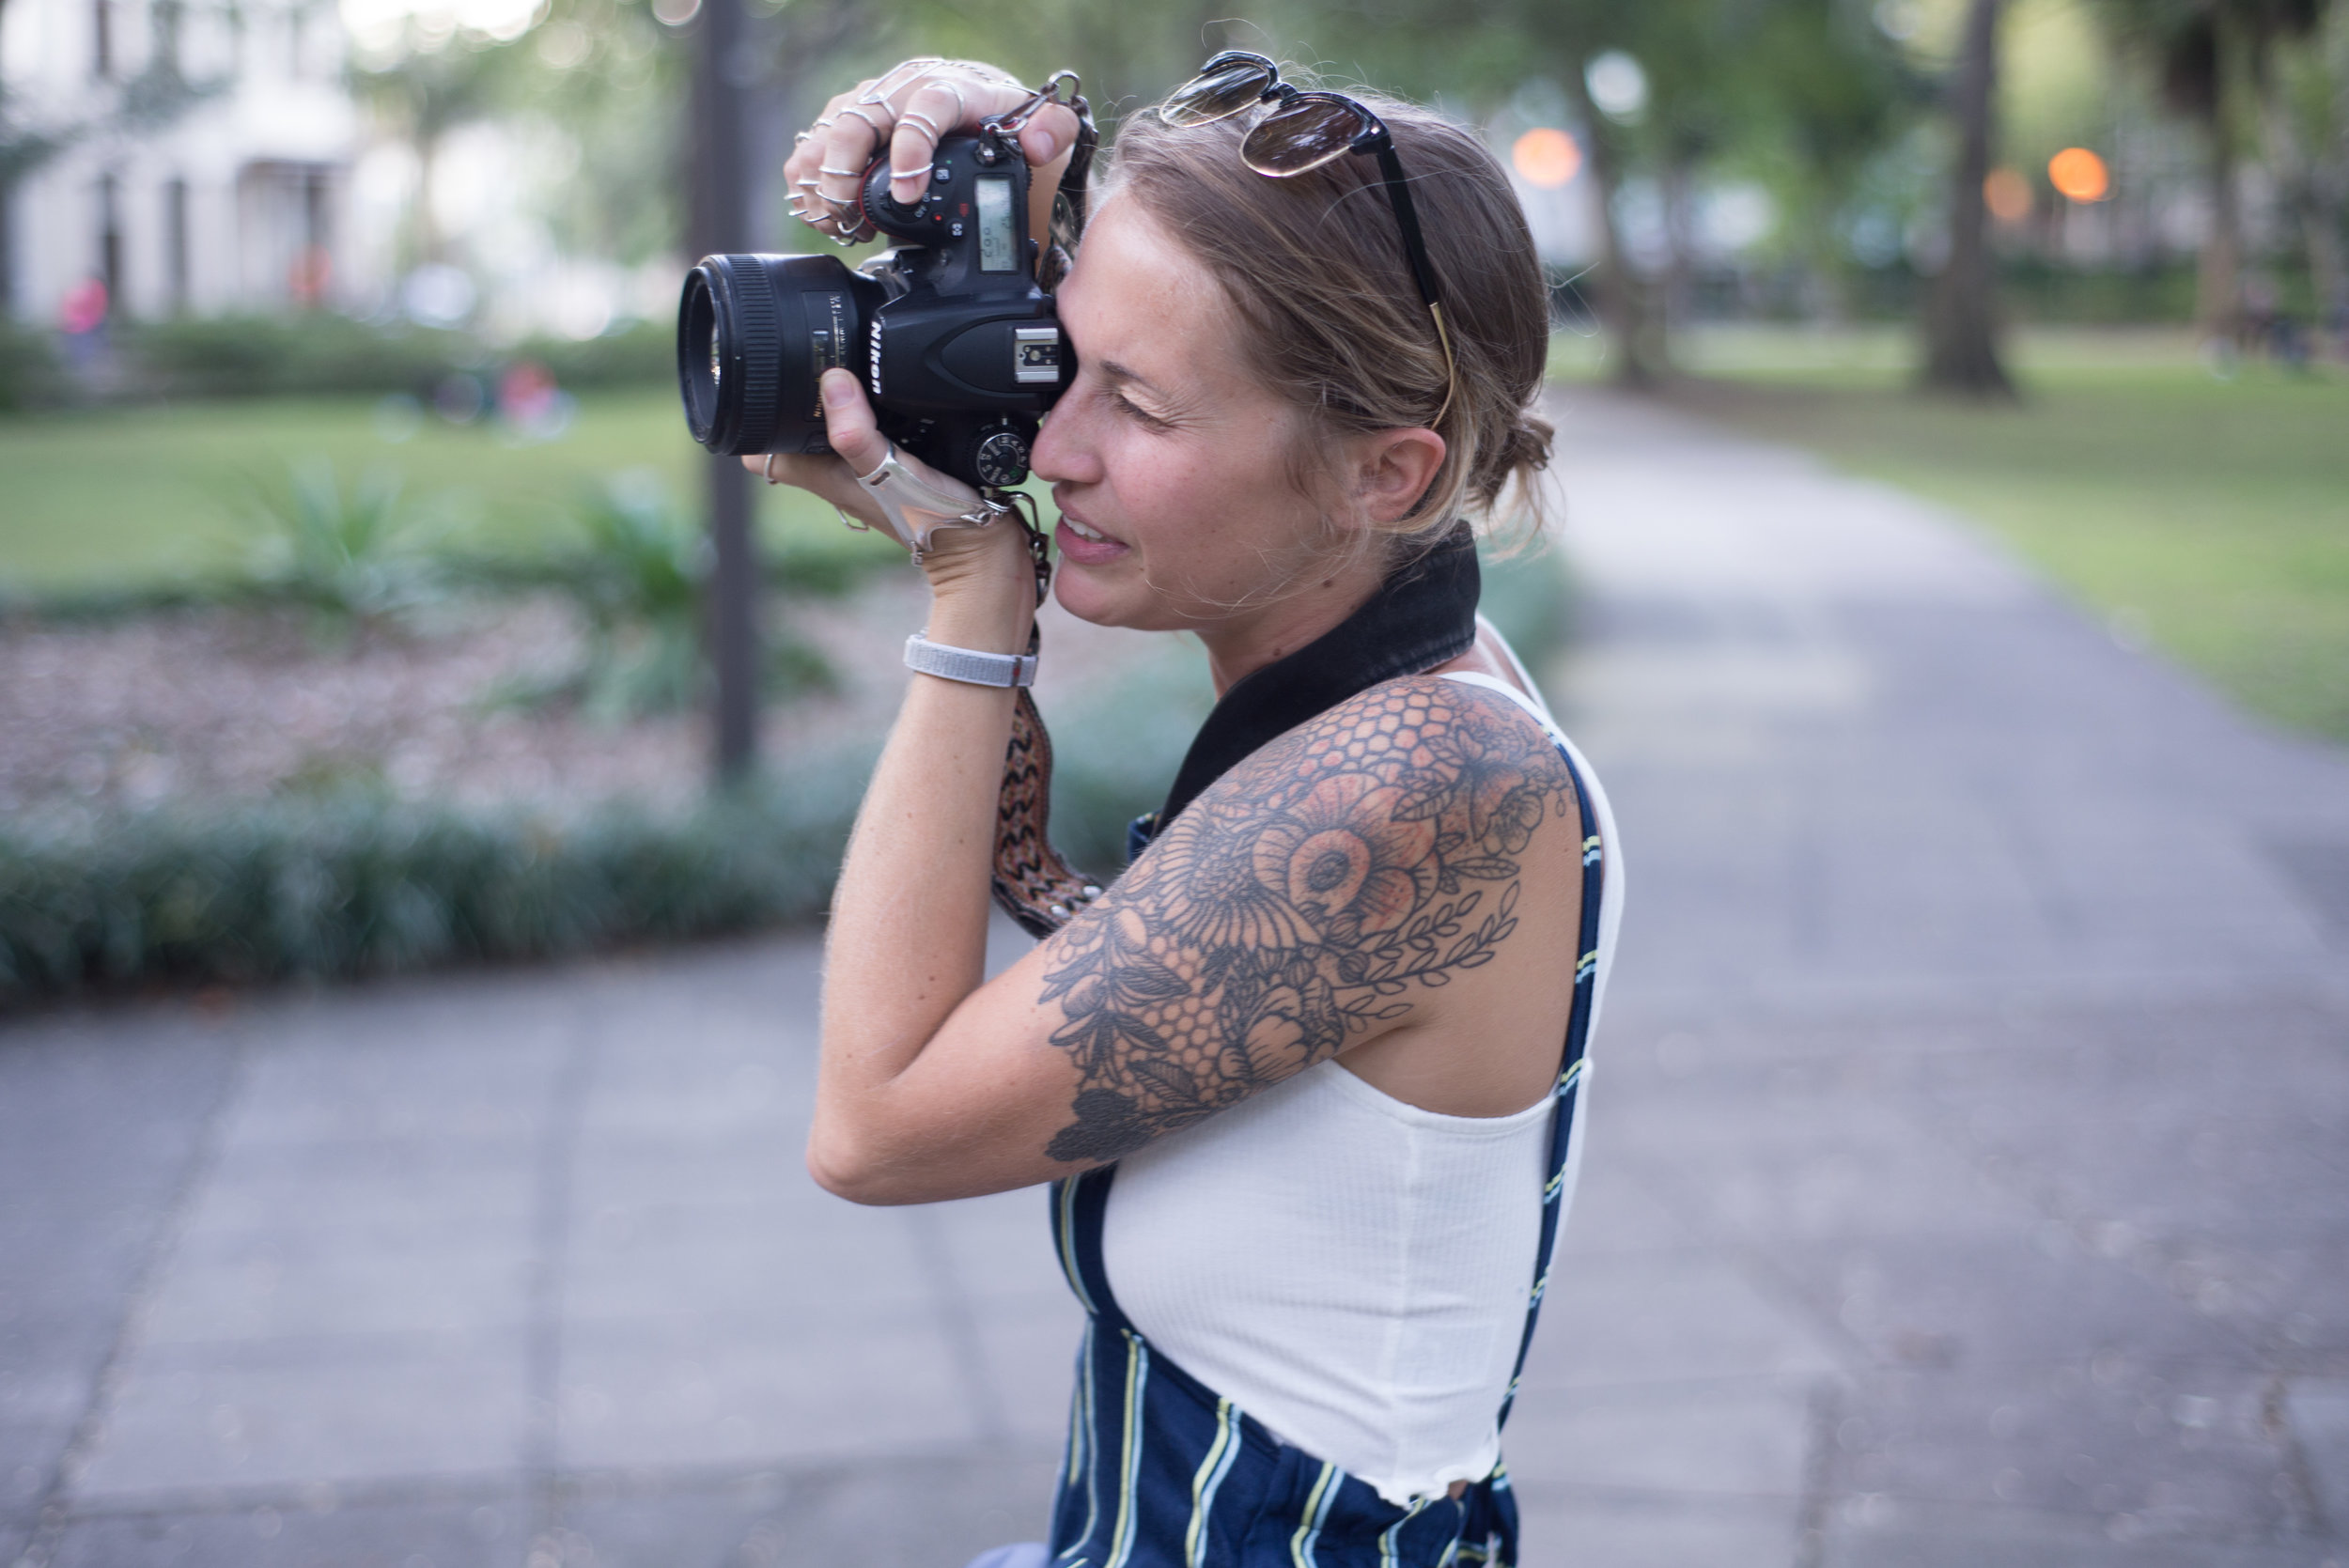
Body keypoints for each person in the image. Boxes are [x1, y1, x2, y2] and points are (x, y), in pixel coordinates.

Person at [755, 53, 1625, 1568]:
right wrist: (980, 219)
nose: (1058, 443)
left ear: (1382, 472)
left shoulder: (1426, 788)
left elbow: (874, 1124)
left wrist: (974, 589)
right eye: (1057, 356)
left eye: (1140, 403)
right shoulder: (1377, 688)